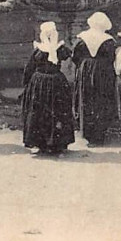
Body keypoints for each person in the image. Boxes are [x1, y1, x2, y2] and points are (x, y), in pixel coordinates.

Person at [22, 22, 75, 155]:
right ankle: (58, 143)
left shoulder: (39, 49)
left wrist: (27, 83)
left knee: (39, 112)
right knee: (57, 111)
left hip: (39, 83)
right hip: (57, 81)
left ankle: (41, 143)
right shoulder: (60, 49)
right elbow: (69, 55)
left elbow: (29, 68)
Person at [72, 12, 116, 146]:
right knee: (101, 100)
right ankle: (99, 134)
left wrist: (85, 66)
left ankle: (87, 132)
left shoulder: (81, 38)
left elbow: (75, 57)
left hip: (85, 71)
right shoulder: (108, 40)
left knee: (86, 99)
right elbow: (111, 58)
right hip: (102, 72)